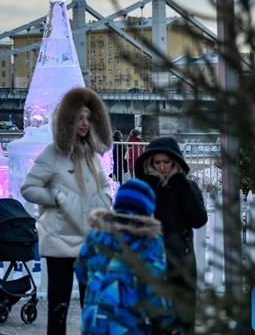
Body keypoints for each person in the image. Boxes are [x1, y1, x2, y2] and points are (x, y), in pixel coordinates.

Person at [20, 87, 114, 335]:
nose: (84, 124)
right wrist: (58, 198)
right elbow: (28, 188)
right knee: (58, 306)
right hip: (60, 240)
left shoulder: (92, 155)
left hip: (89, 241)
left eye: (88, 118)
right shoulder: (52, 154)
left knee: (91, 305)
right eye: (79, 118)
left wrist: (104, 203)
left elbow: (105, 186)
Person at [74, 179, 180, 334]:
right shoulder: (148, 241)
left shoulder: (97, 235)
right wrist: (170, 323)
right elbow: (154, 287)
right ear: (147, 209)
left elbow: (81, 270)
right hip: (130, 323)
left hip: (95, 321)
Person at [134, 137, 207, 334]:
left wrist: (182, 184)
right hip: (152, 261)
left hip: (181, 259)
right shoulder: (144, 188)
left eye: (166, 162)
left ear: (175, 161)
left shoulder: (187, 187)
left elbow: (199, 219)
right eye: (157, 162)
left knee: (183, 317)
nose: (162, 167)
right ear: (151, 163)